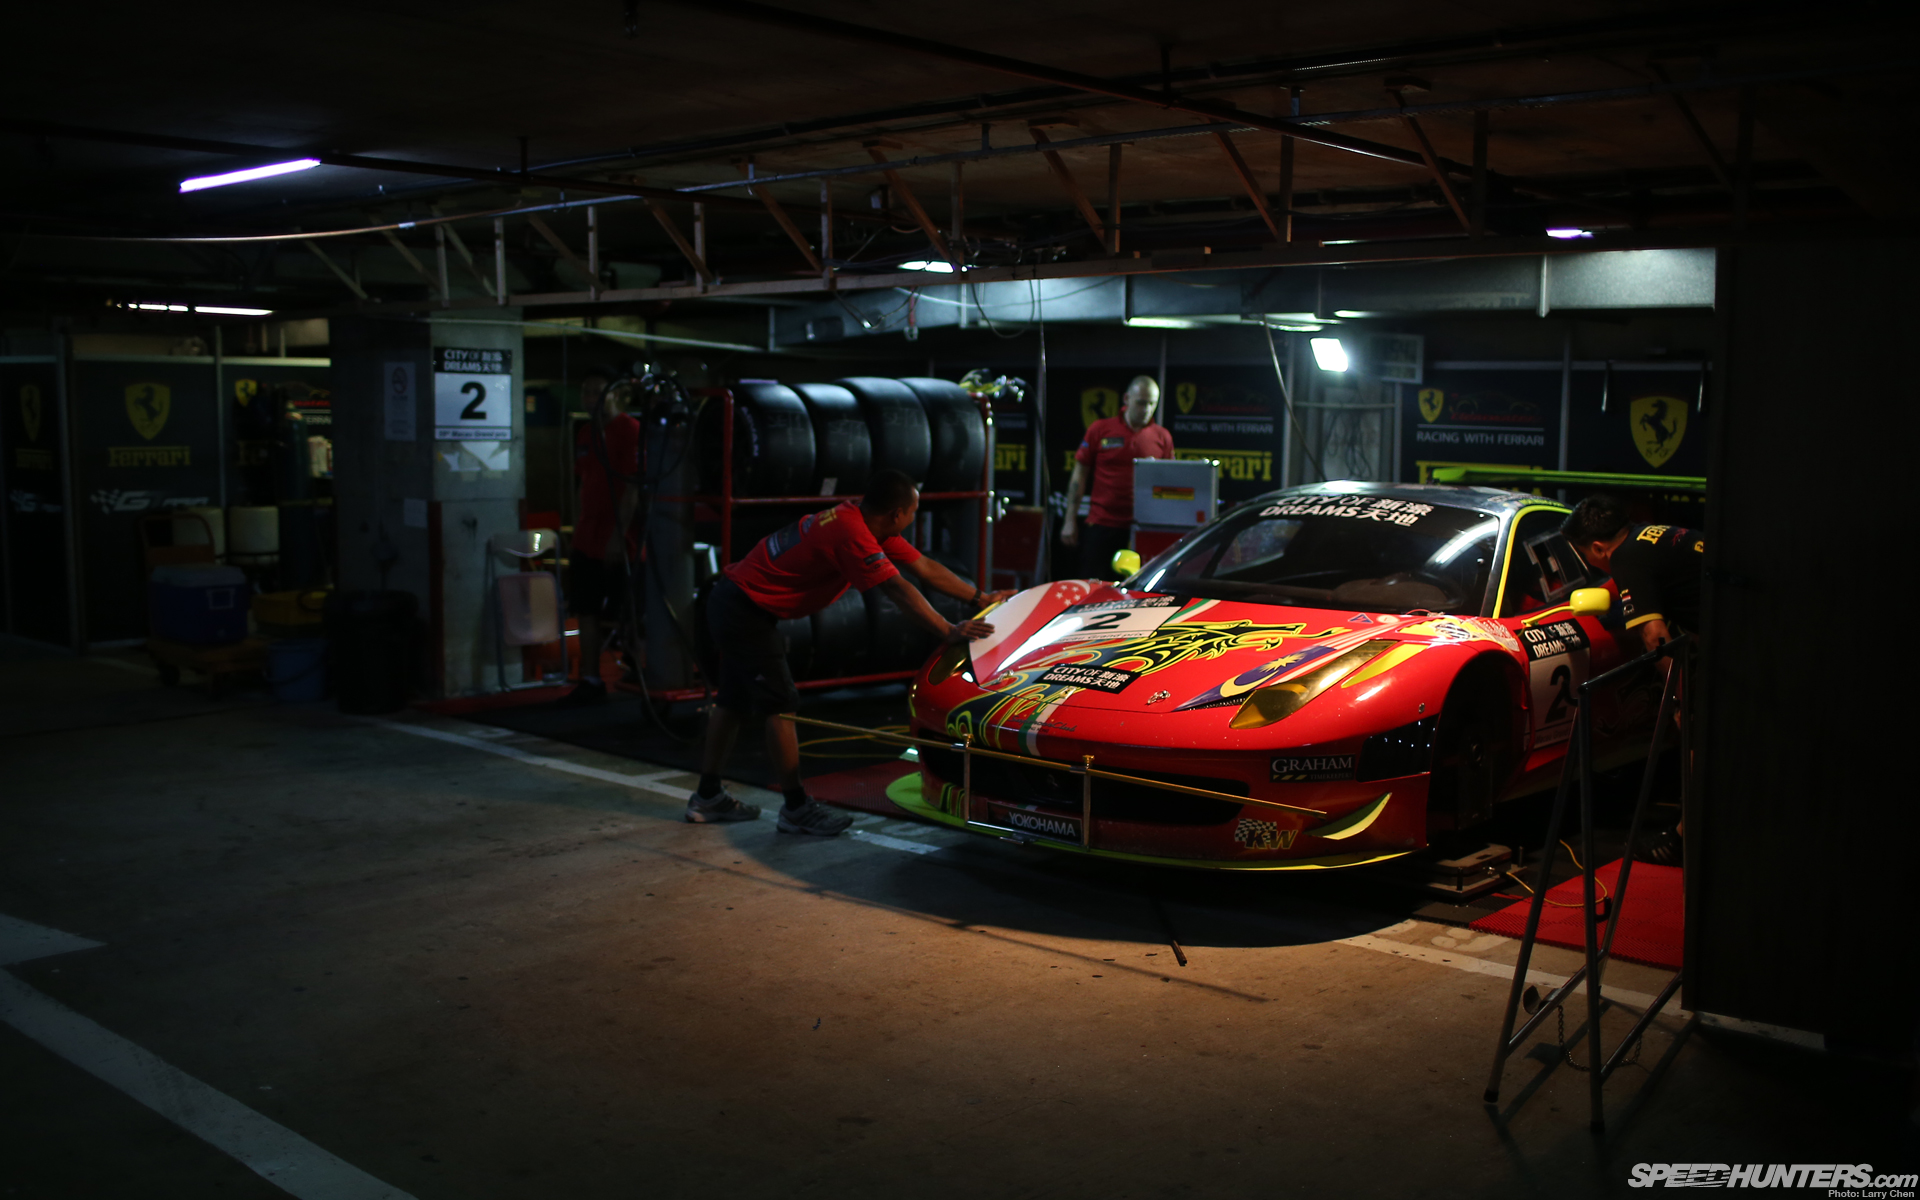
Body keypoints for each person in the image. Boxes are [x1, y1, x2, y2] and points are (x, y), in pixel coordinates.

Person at [688, 469, 1011, 835]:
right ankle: (795, 808)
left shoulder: (862, 520)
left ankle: (707, 796)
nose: (911, 520)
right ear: (897, 514)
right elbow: (897, 590)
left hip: (734, 603)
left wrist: (980, 598)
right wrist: (947, 631)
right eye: (912, 513)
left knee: (732, 702)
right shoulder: (851, 532)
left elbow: (924, 567)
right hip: (742, 611)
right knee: (782, 706)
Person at [1563, 494, 1705, 865]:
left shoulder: (1625, 557)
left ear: (1597, 546)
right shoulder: (1648, 536)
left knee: (1696, 736)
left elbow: (1653, 636)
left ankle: (1686, 842)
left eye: (1583, 554)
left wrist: (1679, 697)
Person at [557, 368, 640, 706]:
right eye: (585, 393)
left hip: (621, 541)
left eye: (597, 392)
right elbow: (583, 482)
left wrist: (619, 538)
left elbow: (633, 488)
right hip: (587, 539)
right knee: (586, 609)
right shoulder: (586, 434)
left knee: (631, 611)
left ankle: (638, 671)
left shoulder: (631, 431)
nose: (590, 399)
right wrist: (577, 528)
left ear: (616, 395)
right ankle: (590, 678)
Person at [1060, 375, 1174, 580]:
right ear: (1127, 399)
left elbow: (1169, 483)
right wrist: (1070, 520)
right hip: (1102, 524)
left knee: (1136, 592)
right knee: (1092, 587)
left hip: (1141, 529)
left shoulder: (1162, 437)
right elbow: (1080, 473)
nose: (1146, 409)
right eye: (1141, 403)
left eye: (1152, 403)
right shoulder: (1100, 429)